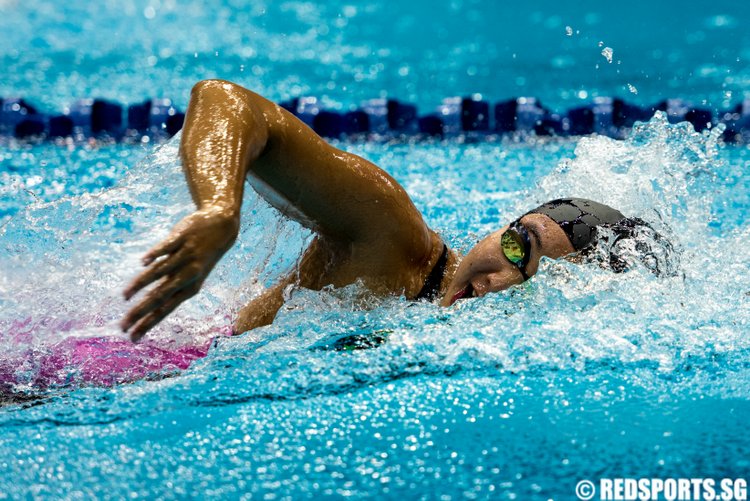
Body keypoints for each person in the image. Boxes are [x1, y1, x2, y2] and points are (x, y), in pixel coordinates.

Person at [121, 79, 668, 342]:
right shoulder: (391, 233)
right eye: (514, 246)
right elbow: (224, 101)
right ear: (505, 226)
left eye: (532, 276)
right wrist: (219, 208)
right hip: (122, 367)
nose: (501, 282)